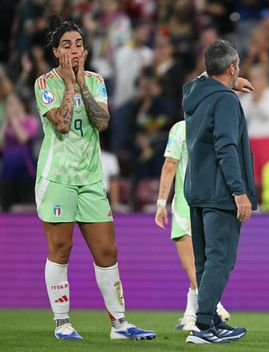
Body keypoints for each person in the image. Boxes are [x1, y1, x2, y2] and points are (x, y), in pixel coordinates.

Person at [33, 16, 155, 341]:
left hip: (90, 178)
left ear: (85, 50)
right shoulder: (44, 83)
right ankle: (63, 323)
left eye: (78, 44)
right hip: (57, 177)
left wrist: (82, 84)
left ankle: (120, 325)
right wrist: (70, 84)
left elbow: (101, 122)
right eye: (66, 45)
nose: (73, 50)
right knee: (61, 248)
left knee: (107, 251)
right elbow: (60, 123)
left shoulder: (97, 81)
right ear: (56, 51)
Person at [182, 39, 256, 344]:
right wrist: (239, 192)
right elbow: (226, 146)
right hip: (220, 191)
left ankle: (210, 318)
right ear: (231, 67)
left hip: (196, 188)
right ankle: (202, 326)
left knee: (204, 261)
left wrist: (229, 81)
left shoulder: (192, 93)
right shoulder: (225, 100)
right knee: (220, 260)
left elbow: (199, 79)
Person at [154, 120, 230, 331]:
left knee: (193, 266)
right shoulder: (221, 125)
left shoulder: (181, 128)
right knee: (204, 261)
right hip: (215, 201)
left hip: (187, 203)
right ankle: (190, 315)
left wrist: (161, 203)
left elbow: (170, 164)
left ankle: (214, 307)